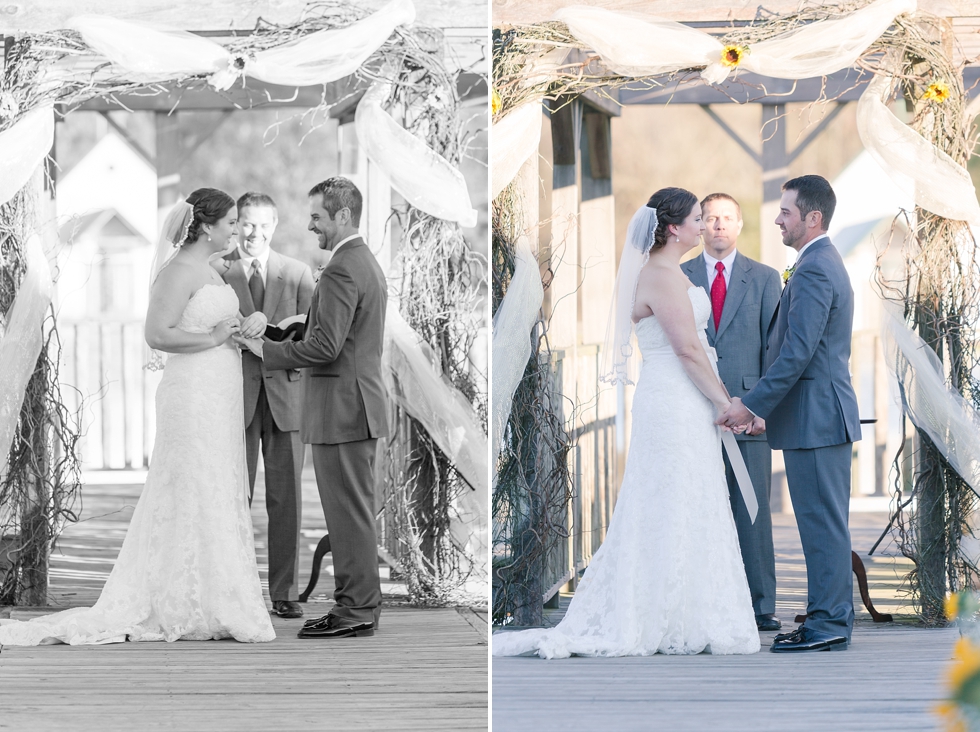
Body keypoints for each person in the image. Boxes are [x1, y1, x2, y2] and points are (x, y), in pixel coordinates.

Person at [492, 187, 760, 659]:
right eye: (697, 218)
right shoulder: (660, 275)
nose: (704, 225)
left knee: (690, 499)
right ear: (674, 228)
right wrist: (727, 403)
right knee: (669, 500)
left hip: (684, 398)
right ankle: (658, 614)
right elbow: (688, 350)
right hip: (676, 401)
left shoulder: (666, 271)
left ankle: (684, 611)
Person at [0, 188, 275, 646]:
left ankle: (216, 599)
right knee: (190, 484)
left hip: (220, 393)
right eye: (230, 222)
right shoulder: (178, 271)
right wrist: (211, 337)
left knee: (217, 485)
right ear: (206, 227)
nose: (235, 230)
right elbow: (158, 334)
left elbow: (227, 322)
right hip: (191, 395)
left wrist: (254, 320)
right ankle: (179, 601)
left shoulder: (210, 269)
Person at [236, 177, 389, 640]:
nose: (310, 225)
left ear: (342, 216)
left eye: (317, 216)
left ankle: (358, 608)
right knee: (348, 512)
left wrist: (271, 352)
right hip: (348, 408)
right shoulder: (357, 261)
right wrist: (292, 330)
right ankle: (353, 603)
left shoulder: (343, 266)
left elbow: (326, 346)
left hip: (343, 410)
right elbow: (332, 334)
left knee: (348, 514)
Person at [719, 175, 861, 653]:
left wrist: (752, 403)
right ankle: (831, 617)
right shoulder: (815, 262)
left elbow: (798, 353)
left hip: (816, 419)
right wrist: (766, 411)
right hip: (812, 416)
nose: (778, 218)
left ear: (812, 218)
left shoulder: (817, 268)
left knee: (821, 524)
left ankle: (828, 625)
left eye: (786, 211)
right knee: (823, 523)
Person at [680, 193, 782, 632]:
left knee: (751, 508)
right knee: (696, 506)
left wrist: (761, 408)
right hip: (691, 408)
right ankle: (698, 605)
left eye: (727, 218)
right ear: (698, 226)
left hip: (749, 414)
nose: (718, 225)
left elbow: (774, 349)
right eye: (710, 218)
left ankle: (760, 607)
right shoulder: (677, 275)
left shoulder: (764, 278)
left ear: (739, 225)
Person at [215, 192, 315, 620]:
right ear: (235, 225)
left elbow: (313, 336)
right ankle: (232, 590)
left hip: (286, 398)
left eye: (262, 225)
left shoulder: (297, 274)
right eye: (245, 224)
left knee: (286, 500)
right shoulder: (216, 272)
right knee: (233, 495)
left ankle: (285, 592)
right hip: (231, 397)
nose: (253, 233)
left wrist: (270, 330)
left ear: (274, 225)